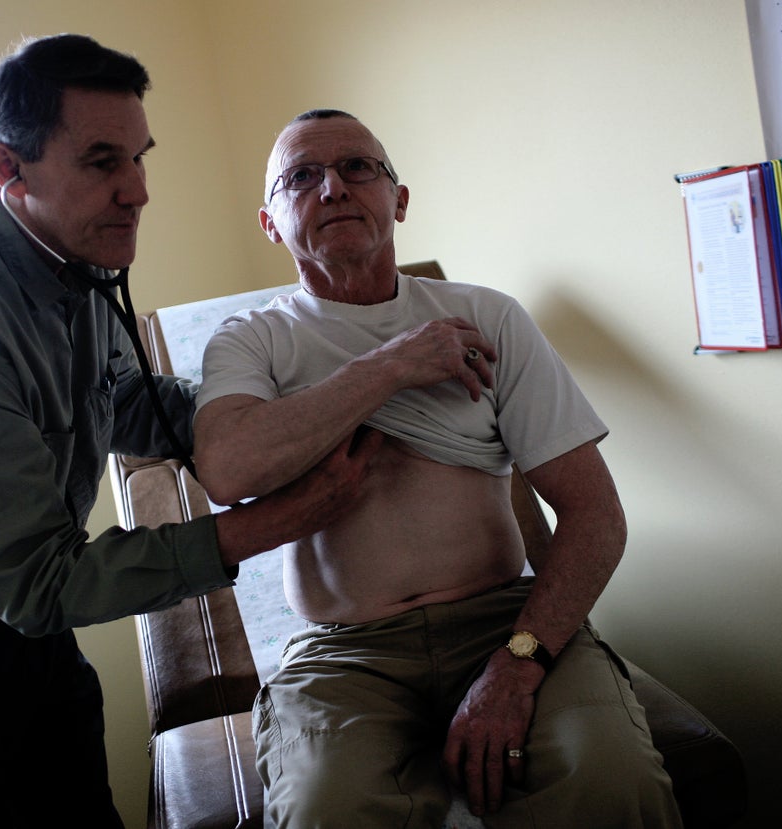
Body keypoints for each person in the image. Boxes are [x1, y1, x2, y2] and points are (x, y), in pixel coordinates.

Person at [0, 40, 375, 829]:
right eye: (102, 162)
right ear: (8, 168)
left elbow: (126, 399)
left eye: (139, 157)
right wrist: (269, 524)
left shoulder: (73, 250)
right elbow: (40, 584)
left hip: (17, 595)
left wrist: (273, 421)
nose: (138, 191)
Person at [192, 109, 683, 828]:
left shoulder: (489, 318)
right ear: (270, 221)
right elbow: (229, 470)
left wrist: (520, 663)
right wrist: (392, 365)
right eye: (301, 177)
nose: (332, 188)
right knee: (328, 808)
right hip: (346, 655)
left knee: (610, 782)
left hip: (504, 621)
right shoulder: (250, 342)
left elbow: (595, 515)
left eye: (358, 168)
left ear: (400, 199)